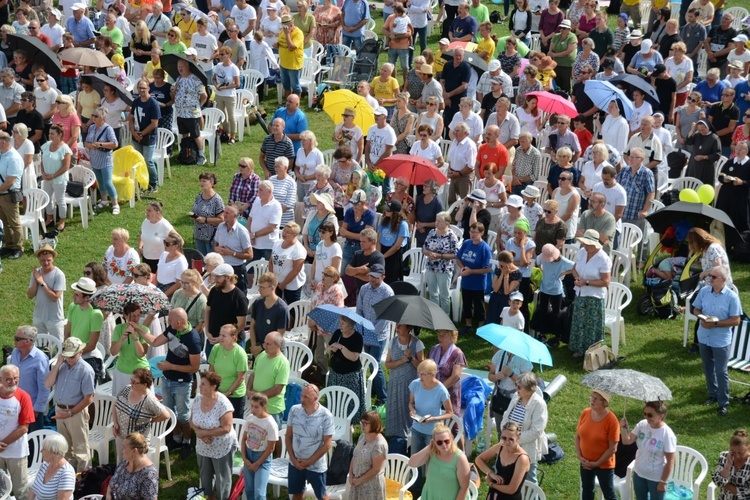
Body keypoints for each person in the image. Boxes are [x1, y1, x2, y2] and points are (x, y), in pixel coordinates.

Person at [139, 308, 201, 458]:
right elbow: (154, 341)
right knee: (169, 411)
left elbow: (194, 367)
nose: (168, 323)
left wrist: (170, 366)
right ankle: (175, 439)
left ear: (178, 322)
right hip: (167, 379)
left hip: (182, 383)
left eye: (170, 321)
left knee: (183, 415)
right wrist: (138, 330)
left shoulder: (193, 339)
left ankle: (187, 442)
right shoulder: (173, 330)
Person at [693, 265, 742, 416]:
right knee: (708, 368)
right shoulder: (704, 291)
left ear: (723, 280)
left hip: (721, 340)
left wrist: (714, 323)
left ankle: (723, 403)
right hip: (704, 337)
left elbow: (736, 320)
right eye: (709, 276)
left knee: (721, 371)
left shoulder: (732, 297)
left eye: (713, 277)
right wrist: (701, 316)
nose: (709, 279)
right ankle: (713, 394)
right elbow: (695, 309)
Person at [44, 337, 95, 472]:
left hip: (75, 412)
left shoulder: (86, 370)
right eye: (67, 355)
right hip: (60, 410)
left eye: (72, 356)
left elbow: (89, 398)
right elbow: (47, 383)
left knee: (81, 450)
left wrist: (70, 413)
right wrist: (58, 363)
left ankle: (84, 480)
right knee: (65, 448)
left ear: (81, 352)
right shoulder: (62, 366)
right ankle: (69, 476)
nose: (69, 358)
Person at [408, 359, 456, 491]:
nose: (420, 377)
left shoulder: (441, 390)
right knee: (416, 459)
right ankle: (415, 487)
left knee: (432, 462)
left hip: (432, 432)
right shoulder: (415, 384)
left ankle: (431, 488)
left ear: (432, 374)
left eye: (423, 374)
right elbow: (411, 402)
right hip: (417, 427)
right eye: (419, 374)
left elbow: (450, 413)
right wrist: (412, 410)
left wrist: (434, 418)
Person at [191, 370, 238, 500]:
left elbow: (226, 428)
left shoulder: (223, 403)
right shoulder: (198, 399)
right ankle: (208, 497)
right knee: (205, 475)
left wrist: (204, 433)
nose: (199, 386)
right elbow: (192, 420)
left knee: (222, 477)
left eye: (203, 384)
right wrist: (199, 434)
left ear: (213, 387)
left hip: (221, 447)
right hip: (203, 445)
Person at [285, 384, 334, 500]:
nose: (302, 399)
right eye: (302, 396)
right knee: (296, 494)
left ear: (316, 398)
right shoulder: (294, 410)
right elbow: (288, 436)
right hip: (295, 462)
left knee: (322, 496)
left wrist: (309, 462)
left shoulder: (326, 416)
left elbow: (327, 444)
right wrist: (293, 459)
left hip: (316, 465)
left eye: (306, 397)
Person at [619, 401, 677, 499]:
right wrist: (624, 429)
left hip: (656, 478)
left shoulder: (667, 434)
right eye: (645, 413)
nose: (646, 417)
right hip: (639, 473)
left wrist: (663, 482)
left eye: (650, 415)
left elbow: (670, 461)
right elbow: (627, 441)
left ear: (661, 416)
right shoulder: (642, 425)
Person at [498, 372, 548, 484]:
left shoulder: (539, 405)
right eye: (516, 385)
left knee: (529, 480)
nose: (516, 388)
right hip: (509, 445)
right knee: (508, 477)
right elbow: (506, 415)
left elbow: (536, 431)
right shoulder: (516, 397)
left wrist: (514, 440)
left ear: (529, 389)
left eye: (519, 387)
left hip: (527, 449)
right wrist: (507, 436)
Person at [569, 230, 612, 358]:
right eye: (585, 244)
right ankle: (578, 349)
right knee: (579, 322)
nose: (586, 246)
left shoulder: (603, 259)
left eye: (589, 244)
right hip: (580, 293)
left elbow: (606, 282)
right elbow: (574, 269)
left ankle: (592, 352)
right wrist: (577, 278)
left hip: (594, 297)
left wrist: (586, 282)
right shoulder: (582, 252)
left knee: (591, 326)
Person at [383, 324, 424, 454]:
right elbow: (387, 364)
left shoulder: (417, 344)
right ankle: (394, 435)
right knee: (395, 408)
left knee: (407, 409)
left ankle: (408, 437)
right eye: (397, 325)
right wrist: (401, 361)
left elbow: (422, 367)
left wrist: (411, 358)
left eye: (401, 326)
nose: (397, 327)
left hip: (410, 384)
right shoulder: (393, 341)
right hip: (395, 383)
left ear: (408, 328)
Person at [111, 368, 168, 461]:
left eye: (135, 382)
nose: (131, 383)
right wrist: (116, 423)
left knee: (134, 464)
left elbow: (166, 415)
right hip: (121, 434)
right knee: (122, 461)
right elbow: (115, 404)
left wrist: (151, 420)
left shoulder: (149, 400)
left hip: (136, 441)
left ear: (144, 385)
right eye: (131, 380)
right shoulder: (127, 389)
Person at [577, 389, 620, 500]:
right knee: (587, 491)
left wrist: (596, 463)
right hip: (585, 462)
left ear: (604, 403)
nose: (592, 400)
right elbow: (577, 436)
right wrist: (580, 456)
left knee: (609, 494)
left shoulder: (612, 420)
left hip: (604, 465)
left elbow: (612, 448)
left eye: (596, 398)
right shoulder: (585, 413)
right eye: (592, 396)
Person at [0, 364, 33, 499]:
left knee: (21, 490)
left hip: (16, 451)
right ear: (0, 379)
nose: (13, 382)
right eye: (8, 379)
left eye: (16, 378)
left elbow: (24, 428)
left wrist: (2, 444)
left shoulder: (23, 397)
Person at [248, 330, 290, 427]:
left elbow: (277, 389)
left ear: (278, 345)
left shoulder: (283, 363)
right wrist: (248, 390)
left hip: (272, 409)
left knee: (272, 439)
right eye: (264, 343)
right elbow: (253, 375)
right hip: (256, 406)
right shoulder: (261, 355)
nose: (264, 346)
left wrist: (258, 396)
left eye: (268, 344)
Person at [241, 392, 279, 500]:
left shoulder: (270, 423)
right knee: (249, 489)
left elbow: (271, 448)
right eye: (252, 406)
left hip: (262, 458)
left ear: (264, 406)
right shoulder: (250, 418)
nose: (253, 410)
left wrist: (257, 463)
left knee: (259, 493)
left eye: (256, 407)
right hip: (248, 454)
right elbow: (244, 439)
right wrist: (245, 458)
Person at [172, 58, 208, 165]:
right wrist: (173, 91)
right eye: (178, 67)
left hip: (192, 113)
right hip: (180, 113)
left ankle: (201, 155)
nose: (180, 69)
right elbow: (176, 96)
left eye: (182, 66)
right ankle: (186, 153)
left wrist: (198, 106)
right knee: (184, 134)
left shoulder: (195, 79)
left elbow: (204, 96)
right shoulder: (178, 79)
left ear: (187, 67)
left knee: (196, 135)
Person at [208, 324, 248, 419]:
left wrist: (228, 393)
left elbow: (241, 377)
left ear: (233, 337)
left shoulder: (240, 353)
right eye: (220, 334)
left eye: (224, 336)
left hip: (235, 395)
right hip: (218, 392)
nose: (220, 338)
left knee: (233, 423)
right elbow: (211, 370)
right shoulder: (216, 348)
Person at [84, 107, 119, 214]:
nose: (93, 118)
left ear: (102, 118)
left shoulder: (108, 129)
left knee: (108, 182)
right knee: (100, 181)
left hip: (105, 160)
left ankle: (115, 204)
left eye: (96, 116)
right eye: (92, 115)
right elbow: (86, 143)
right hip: (95, 159)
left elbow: (115, 144)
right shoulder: (91, 128)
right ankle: (104, 200)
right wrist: (91, 145)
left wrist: (100, 144)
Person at [423, 211, 459, 315]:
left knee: (444, 295)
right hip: (431, 267)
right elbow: (424, 249)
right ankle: (434, 316)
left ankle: (445, 319)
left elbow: (456, 254)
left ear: (447, 223)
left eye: (439, 221)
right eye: (436, 220)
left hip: (444, 269)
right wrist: (430, 254)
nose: (436, 223)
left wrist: (440, 256)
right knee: (433, 294)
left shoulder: (451, 236)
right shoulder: (432, 233)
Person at [129, 80, 160, 193]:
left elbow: (154, 123)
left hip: (148, 137)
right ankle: (142, 182)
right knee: (139, 160)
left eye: (144, 88)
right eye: (140, 88)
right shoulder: (136, 102)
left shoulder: (153, 104)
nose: (141, 90)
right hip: (136, 135)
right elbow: (131, 118)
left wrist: (142, 134)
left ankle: (153, 182)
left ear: (148, 89)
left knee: (148, 161)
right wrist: (133, 132)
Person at [106, 432, 159, 500]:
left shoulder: (149, 474)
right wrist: (108, 495)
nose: (122, 450)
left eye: (124, 447)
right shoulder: (125, 461)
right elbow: (112, 482)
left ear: (134, 451)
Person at [429, 329, 466, 422]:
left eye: (443, 335)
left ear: (452, 338)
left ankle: (458, 437)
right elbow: (426, 367)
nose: (440, 337)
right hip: (432, 392)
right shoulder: (433, 350)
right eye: (439, 335)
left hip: (450, 394)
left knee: (453, 425)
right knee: (432, 422)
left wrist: (438, 389)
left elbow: (455, 376)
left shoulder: (457, 353)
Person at [214, 205, 253, 293]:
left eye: (227, 213)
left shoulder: (242, 232)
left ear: (235, 215)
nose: (224, 215)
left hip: (236, 270)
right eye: (224, 212)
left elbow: (250, 255)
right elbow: (215, 244)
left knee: (239, 297)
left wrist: (231, 253)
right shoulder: (220, 227)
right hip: (222, 268)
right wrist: (217, 249)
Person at [27, 434, 76, 500]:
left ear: (54, 453)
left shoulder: (66, 473)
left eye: (44, 449)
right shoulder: (44, 465)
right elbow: (33, 490)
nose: (40, 451)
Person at [716, 140, 750, 233]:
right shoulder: (729, 162)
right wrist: (724, 179)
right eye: (737, 149)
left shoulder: (748, 164)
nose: (738, 152)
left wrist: (742, 182)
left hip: (740, 198)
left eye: (741, 150)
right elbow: (720, 176)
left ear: (747, 151)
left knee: (738, 222)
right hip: (726, 196)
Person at [0, 131, 24, 260]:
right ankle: (9, 245)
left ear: (3, 142)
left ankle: (18, 248)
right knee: (5, 221)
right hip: (1, 194)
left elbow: (10, 181)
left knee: (14, 222)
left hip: (8, 195)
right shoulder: (2, 154)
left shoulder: (13, 158)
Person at [377, 199, 409, 283]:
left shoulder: (403, 225)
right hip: (382, 250)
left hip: (394, 254)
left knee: (392, 280)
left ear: (395, 213)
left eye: (389, 210)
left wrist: (383, 256)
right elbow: (378, 240)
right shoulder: (384, 221)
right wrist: (379, 255)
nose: (386, 211)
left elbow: (397, 246)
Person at [712, 429, 750, 499]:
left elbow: (748, 492)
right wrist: (728, 465)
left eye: (741, 453)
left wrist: (726, 485)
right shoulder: (724, 456)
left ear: (748, 447)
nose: (737, 456)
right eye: (733, 452)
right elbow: (717, 481)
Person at [685, 119, 722, 185]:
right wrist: (692, 130)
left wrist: (704, 157)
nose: (701, 132)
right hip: (694, 166)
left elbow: (717, 155)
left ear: (708, 127)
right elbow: (688, 141)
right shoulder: (697, 135)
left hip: (706, 167)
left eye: (703, 129)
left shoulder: (714, 138)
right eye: (699, 130)